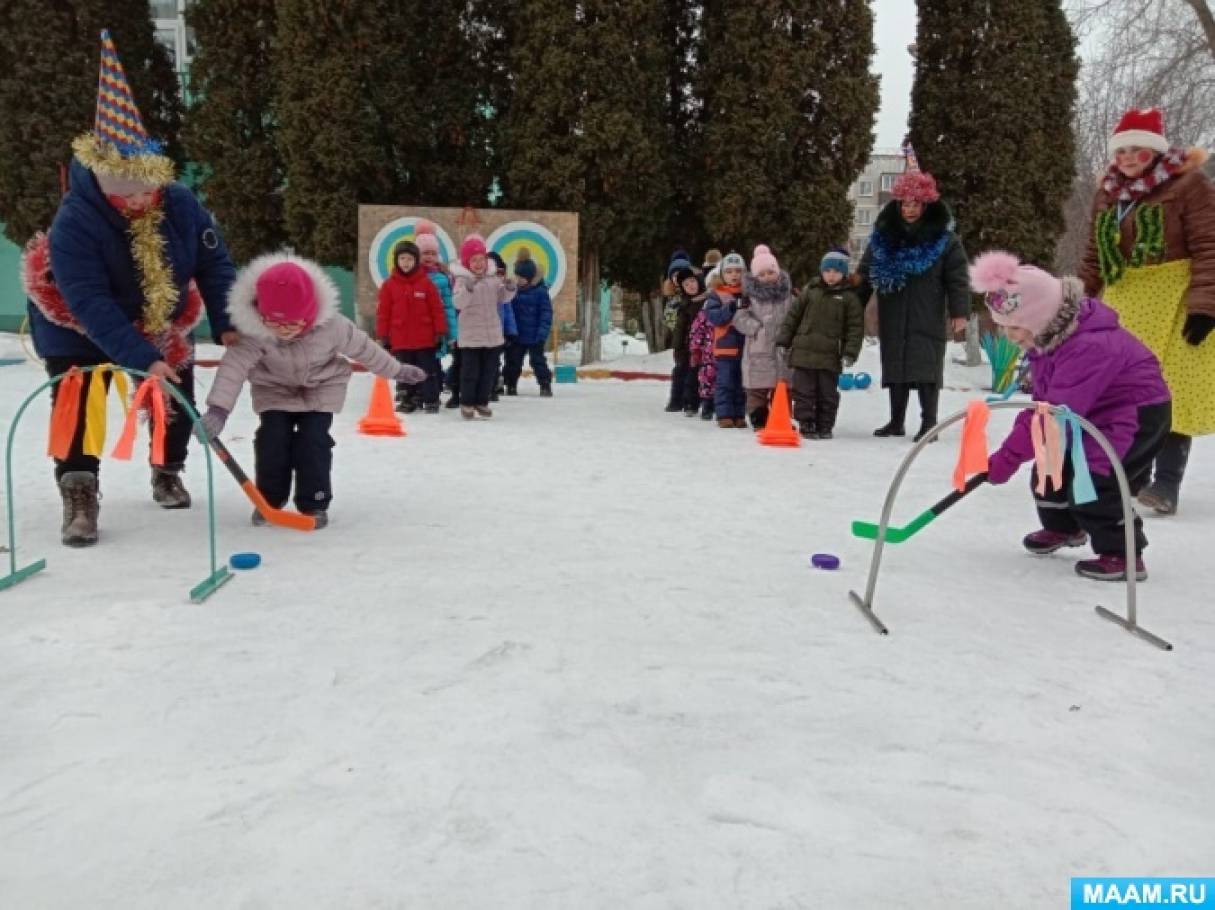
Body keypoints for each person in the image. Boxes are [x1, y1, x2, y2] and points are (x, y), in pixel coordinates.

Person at [23, 30, 240, 547]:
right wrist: (141, 357)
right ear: (104, 185)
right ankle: (79, 490)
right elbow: (89, 301)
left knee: (174, 394)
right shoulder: (76, 221)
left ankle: (167, 469)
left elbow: (213, 263)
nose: (142, 201)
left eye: (149, 189)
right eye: (128, 194)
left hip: (160, 311)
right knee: (79, 402)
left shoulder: (180, 203)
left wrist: (228, 323)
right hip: (76, 322)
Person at [972, 251, 1171, 582]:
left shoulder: (1089, 346)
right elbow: (1044, 408)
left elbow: (1051, 417)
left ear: (1042, 317)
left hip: (1133, 414)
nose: (1011, 337)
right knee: (1049, 468)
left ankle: (1122, 554)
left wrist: (1007, 459)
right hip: (1083, 411)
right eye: (1003, 327)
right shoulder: (1046, 341)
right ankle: (1065, 527)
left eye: (1015, 327)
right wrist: (1013, 453)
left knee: (1094, 479)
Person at [201, 253, 426, 528]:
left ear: (309, 313)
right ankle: (269, 499)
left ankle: (314, 501)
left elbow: (365, 349)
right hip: (275, 390)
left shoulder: (332, 326)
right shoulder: (253, 332)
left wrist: (396, 370)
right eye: (275, 324)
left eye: (293, 324)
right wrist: (218, 410)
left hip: (321, 387)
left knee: (313, 440)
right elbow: (233, 369)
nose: (284, 331)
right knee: (272, 438)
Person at [1079, 108, 1215, 515]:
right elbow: (1094, 256)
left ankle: (1166, 482)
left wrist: (1205, 306)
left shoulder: (1189, 185)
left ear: (1155, 152)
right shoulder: (1108, 193)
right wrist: (1075, 304)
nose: (1128, 158)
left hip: (1176, 297)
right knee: (1125, 391)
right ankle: (1132, 474)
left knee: (1172, 389)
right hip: (1126, 298)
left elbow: (1209, 245)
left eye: (1137, 150)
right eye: (1121, 151)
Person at [857, 160, 970, 441]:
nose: (909, 210)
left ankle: (929, 423)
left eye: (915, 204)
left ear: (926, 206)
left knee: (926, 369)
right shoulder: (883, 239)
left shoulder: (945, 241)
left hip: (927, 313)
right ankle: (896, 421)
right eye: (905, 204)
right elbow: (865, 273)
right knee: (895, 367)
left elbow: (957, 278)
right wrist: (851, 305)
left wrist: (960, 312)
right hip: (893, 312)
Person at [776, 248, 864, 439]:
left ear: (844, 274)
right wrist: (784, 340)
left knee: (827, 394)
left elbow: (855, 328)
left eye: (836, 271)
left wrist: (849, 352)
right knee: (804, 392)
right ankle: (806, 423)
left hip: (829, 356)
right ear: (822, 271)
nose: (831, 275)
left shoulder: (849, 298)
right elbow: (793, 317)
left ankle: (825, 424)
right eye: (827, 271)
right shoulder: (810, 291)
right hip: (804, 353)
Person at [375, 239, 448, 413]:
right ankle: (408, 399)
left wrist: (440, 332)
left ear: (416, 261)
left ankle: (430, 399)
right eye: (402, 259)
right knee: (404, 371)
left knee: (427, 370)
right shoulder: (389, 285)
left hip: (425, 339)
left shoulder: (426, 284)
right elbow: (383, 312)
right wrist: (383, 336)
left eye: (410, 259)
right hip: (401, 339)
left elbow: (437, 310)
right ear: (396, 260)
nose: (406, 263)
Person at [451, 235, 515, 419]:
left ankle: (482, 402)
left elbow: (503, 298)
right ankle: (467, 403)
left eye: (482, 259)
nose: (479, 264)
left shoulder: (492, 279)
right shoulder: (462, 280)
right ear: (467, 262)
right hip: (471, 337)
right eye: (474, 260)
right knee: (470, 373)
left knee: (488, 373)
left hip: (492, 336)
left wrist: (509, 288)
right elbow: (458, 303)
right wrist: (468, 288)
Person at [734, 244, 793, 430]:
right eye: (762, 274)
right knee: (756, 388)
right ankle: (759, 418)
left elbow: (796, 315)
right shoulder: (748, 297)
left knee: (782, 386)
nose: (767, 276)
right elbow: (739, 318)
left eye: (770, 272)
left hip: (782, 349)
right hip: (758, 349)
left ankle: (782, 419)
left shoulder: (788, 295)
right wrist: (757, 329)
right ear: (755, 277)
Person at [414, 220, 458, 404]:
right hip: (415, 328)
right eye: (425, 253)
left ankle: (434, 391)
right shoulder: (412, 277)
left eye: (433, 253)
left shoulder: (442, 278)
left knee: (432, 362)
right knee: (414, 361)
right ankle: (414, 393)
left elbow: (448, 307)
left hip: (435, 329)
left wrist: (452, 332)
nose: (429, 257)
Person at [705, 253, 749, 428]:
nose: (734, 275)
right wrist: (731, 307)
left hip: (745, 347)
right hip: (725, 347)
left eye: (738, 271)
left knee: (741, 383)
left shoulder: (748, 293)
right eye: (729, 271)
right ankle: (724, 414)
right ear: (722, 274)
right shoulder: (716, 295)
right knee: (725, 382)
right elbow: (715, 317)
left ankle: (739, 414)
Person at [504, 251, 554, 397]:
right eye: (517, 277)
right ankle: (510, 384)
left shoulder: (540, 292)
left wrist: (542, 333)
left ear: (530, 277)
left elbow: (546, 314)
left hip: (535, 335)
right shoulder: (513, 292)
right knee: (513, 361)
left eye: (522, 278)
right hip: (517, 335)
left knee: (538, 361)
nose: (519, 280)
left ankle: (545, 384)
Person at [667, 268, 707, 416]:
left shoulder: (707, 300)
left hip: (705, 345)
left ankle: (695, 403)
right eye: (686, 284)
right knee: (682, 372)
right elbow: (680, 329)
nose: (691, 286)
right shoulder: (685, 304)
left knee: (696, 375)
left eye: (692, 281)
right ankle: (679, 401)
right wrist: (677, 348)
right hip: (687, 346)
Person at [689, 269, 720, 422]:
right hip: (709, 352)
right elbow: (697, 330)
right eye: (712, 289)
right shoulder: (705, 310)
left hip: (727, 351)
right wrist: (696, 349)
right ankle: (707, 404)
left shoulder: (730, 305)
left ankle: (722, 406)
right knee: (707, 378)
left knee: (725, 380)